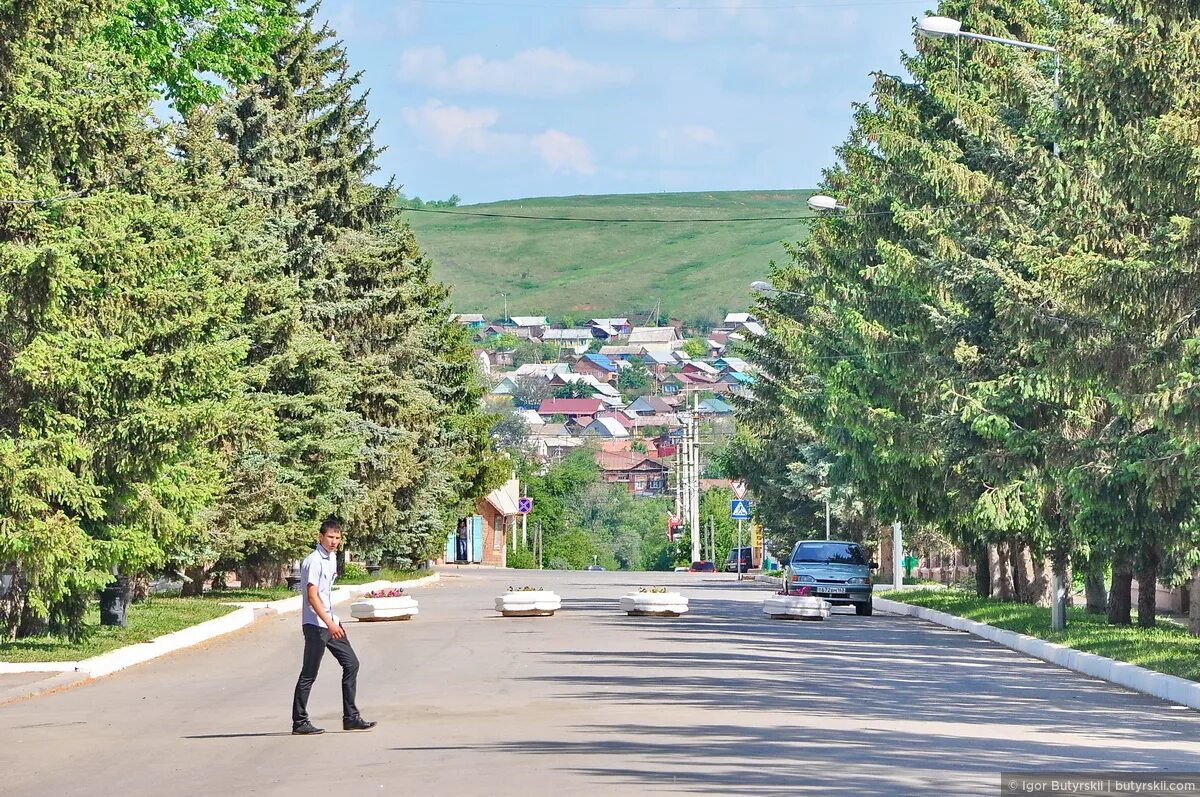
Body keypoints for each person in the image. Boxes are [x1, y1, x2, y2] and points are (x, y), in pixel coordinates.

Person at [291, 518, 376, 735]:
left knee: (351, 664)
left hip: (330, 623)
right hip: (316, 626)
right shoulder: (314, 561)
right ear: (320, 537)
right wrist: (329, 623)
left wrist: (333, 620)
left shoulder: (332, 558)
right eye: (330, 537)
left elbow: (325, 595)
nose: (334, 541)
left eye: (337, 538)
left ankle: (351, 717)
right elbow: (312, 596)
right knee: (309, 673)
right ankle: (299, 722)